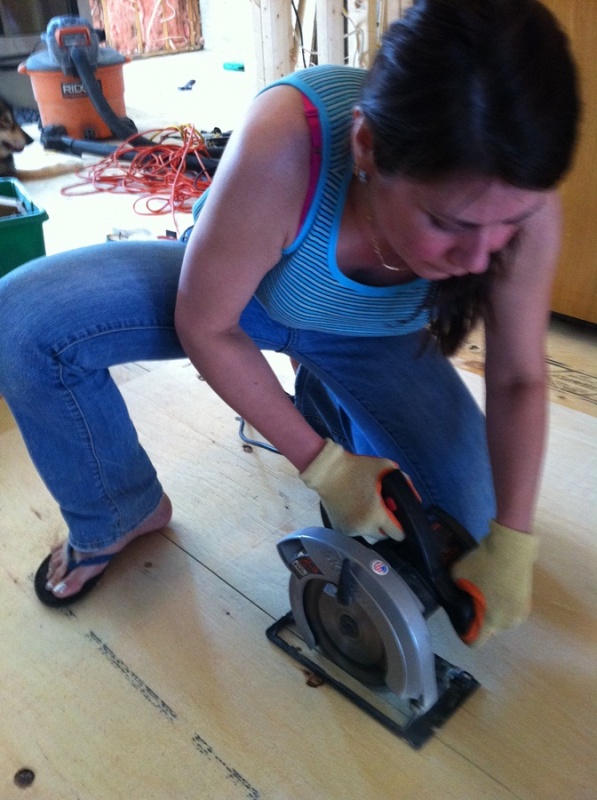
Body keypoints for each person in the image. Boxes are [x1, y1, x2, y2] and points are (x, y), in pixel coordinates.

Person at [0, 0, 579, 646]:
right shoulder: (286, 138)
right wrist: (323, 465)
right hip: (241, 299)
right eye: (449, 224)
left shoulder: (515, 203)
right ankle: (118, 511)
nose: (479, 258)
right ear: (365, 145)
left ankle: (320, 398)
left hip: (375, 338)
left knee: (469, 524)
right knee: (23, 321)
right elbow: (206, 323)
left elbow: (520, 377)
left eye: (506, 228)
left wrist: (514, 540)